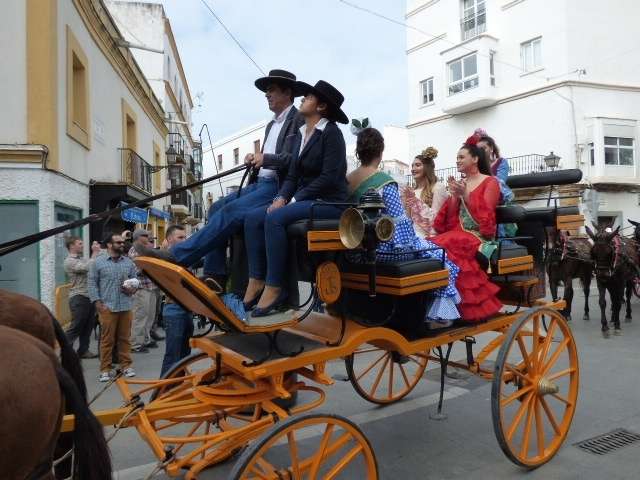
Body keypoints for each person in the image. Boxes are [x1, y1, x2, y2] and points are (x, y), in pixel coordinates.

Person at [152, 69, 305, 289]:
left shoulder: (298, 120)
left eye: (271, 90)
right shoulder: (272, 124)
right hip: (259, 183)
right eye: (266, 91)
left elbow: (294, 160)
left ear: (287, 92)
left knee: (230, 211)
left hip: (277, 186)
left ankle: (177, 255)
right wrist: (255, 158)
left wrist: (266, 158)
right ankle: (215, 275)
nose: (266, 94)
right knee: (216, 208)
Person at [243, 80, 349, 316]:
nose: (303, 99)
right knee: (253, 218)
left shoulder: (332, 133)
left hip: (330, 203)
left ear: (321, 106)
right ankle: (256, 280)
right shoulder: (301, 134)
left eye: (309, 97)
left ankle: (275, 287)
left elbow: (329, 178)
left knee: (275, 218)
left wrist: (293, 200)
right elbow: (292, 175)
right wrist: (281, 197)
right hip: (306, 200)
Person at [347, 128, 460, 327]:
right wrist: (413, 243)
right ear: (380, 152)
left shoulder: (348, 180)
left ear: (358, 151)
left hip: (354, 251)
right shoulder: (384, 182)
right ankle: (437, 317)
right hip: (380, 251)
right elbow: (399, 223)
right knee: (440, 256)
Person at [431, 137, 502, 322]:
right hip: (457, 234)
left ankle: (461, 307)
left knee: (449, 242)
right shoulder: (460, 184)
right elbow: (446, 224)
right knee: (432, 243)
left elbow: (486, 222)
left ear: (475, 159)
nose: (457, 160)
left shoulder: (490, 182)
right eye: (457, 157)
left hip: (479, 236)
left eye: (461, 157)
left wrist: (466, 195)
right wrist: (455, 197)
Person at [88, 232, 139, 381]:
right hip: (107, 307)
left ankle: (126, 366)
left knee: (125, 339)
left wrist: (132, 289)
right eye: (118, 242)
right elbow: (92, 283)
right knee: (107, 340)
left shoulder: (128, 262)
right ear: (109, 245)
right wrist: (97, 302)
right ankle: (105, 369)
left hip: (125, 305)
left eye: (123, 242)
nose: (122, 245)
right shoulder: (98, 262)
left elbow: (135, 281)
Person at [159, 225, 194, 376]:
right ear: (169, 239)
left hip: (187, 310)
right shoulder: (165, 257)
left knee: (184, 356)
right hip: (174, 310)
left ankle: (178, 385)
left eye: (185, 237)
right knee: (173, 356)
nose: (184, 240)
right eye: (180, 237)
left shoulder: (184, 256)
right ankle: (164, 388)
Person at [63, 236, 102, 358]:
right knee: (76, 326)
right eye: (79, 243)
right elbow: (88, 267)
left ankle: (83, 351)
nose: (82, 245)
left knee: (88, 327)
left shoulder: (83, 259)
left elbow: (94, 265)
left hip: (89, 296)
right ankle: (65, 352)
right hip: (79, 296)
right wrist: (94, 253)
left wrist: (98, 253)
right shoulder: (69, 261)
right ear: (71, 246)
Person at [400, 147, 449, 238]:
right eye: (412, 166)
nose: (413, 169)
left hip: (429, 239)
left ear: (427, 168)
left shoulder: (438, 187)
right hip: (411, 236)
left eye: (417, 165)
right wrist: (404, 202)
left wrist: (415, 202)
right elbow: (408, 220)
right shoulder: (413, 191)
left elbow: (437, 222)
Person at [128, 229, 160, 353]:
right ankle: (135, 344)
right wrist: (149, 266)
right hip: (141, 288)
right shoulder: (134, 251)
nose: (148, 237)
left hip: (150, 286)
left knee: (149, 316)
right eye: (145, 235)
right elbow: (136, 271)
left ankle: (146, 340)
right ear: (138, 237)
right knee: (140, 316)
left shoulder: (144, 250)